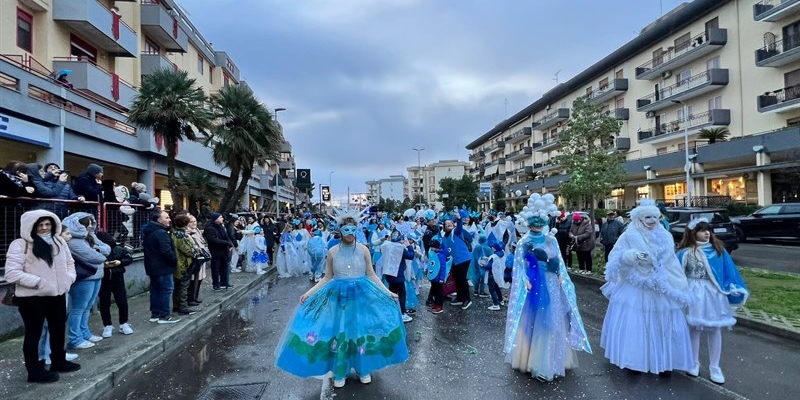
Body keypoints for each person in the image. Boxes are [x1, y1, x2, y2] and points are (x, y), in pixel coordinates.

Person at [274, 208, 408, 389]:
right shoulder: (333, 252)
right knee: (340, 332)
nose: (350, 234)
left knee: (360, 331)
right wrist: (309, 293)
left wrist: (387, 292)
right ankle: (341, 370)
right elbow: (327, 276)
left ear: (357, 230)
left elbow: (371, 274)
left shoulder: (363, 250)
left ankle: (362, 368)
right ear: (340, 231)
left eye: (353, 230)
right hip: (339, 298)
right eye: (346, 230)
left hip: (361, 298)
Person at [600, 199, 693, 375]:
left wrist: (667, 274)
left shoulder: (665, 235)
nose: (652, 221)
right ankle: (635, 360)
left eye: (655, 217)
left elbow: (671, 260)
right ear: (639, 218)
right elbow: (615, 257)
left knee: (663, 323)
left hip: (661, 286)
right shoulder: (629, 235)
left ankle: (665, 361)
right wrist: (631, 256)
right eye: (647, 217)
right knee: (637, 323)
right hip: (637, 286)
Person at [504, 193, 591, 381]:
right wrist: (524, 279)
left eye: (539, 223)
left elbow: (558, 260)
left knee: (552, 320)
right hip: (534, 285)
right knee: (535, 321)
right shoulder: (523, 243)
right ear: (528, 223)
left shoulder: (551, 240)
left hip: (551, 282)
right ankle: (533, 360)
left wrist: (560, 275)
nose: (536, 226)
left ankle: (552, 360)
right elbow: (519, 266)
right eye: (533, 223)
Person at [3, 210, 81, 383]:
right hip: (32, 298)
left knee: (58, 329)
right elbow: (11, 273)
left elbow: (70, 262)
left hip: (58, 294)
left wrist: (69, 279)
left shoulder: (59, 241)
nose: (44, 228)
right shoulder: (19, 244)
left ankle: (58, 361)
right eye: (40, 225)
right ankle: (34, 371)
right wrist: (38, 282)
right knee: (34, 334)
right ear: (31, 226)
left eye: (48, 224)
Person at [676, 218, 749, 385]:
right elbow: (676, 275)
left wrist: (733, 287)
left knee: (714, 329)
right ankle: (693, 362)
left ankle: (715, 367)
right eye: (702, 230)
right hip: (692, 294)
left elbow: (729, 271)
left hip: (713, 294)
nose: (707, 233)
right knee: (693, 328)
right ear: (693, 234)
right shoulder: (684, 253)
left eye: (708, 230)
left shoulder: (718, 251)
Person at [62, 212, 110, 350]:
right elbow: (97, 257)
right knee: (78, 308)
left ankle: (85, 333)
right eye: (87, 222)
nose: (90, 225)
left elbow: (107, 248)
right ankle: (75, 338)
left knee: (87, 307)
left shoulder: (90, 236)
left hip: (97, 275)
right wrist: (100, 251)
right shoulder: (73, 240)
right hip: (84, 278)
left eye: (91, 222)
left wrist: (98, 249)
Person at [142, 209, 181, 324]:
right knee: (166, 290)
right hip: (163, 267)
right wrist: (174, 260)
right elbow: (166, 251)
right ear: (159, 219)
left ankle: (155, 313)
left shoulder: (149, 231)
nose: (169, 219)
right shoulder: (161, 233)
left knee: (156, 290)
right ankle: (165, 315)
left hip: (152, 267)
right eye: (167, 217)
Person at [96, 229, 134, 338]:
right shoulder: (96, 250)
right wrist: (103, 265)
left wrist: (120, 262)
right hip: (103, 279)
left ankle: (124, 323)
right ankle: (107, 325)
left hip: (117, 278)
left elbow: (129, 258)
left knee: (122, 301)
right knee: (104, 303)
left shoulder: (118, 249)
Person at [441, 209, 473, 310]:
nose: (449, 224)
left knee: (462, 279)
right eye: (447, 224)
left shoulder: (457, 232)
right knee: (457, 279)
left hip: (463, 259)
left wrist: (459, 218)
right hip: (454, 261)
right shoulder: (444, 237)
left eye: (450, 223)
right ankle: (460, 298)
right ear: (444, 227)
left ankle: (467, 299)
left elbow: (459, 226)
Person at [171, 214, 198, 316]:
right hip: (182, 263)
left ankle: (177, 305)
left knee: (177, 286)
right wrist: (194, 250)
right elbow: (187, 250)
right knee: (183, 286)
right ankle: (183, 307)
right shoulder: (180, 235)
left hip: (177, 263)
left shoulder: (173, 233)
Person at [203, 213, 233, 291]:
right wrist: (226, 243)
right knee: (216, 268)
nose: (222, 218)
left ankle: (224, 282)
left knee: (224, 267)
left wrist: (229, 244)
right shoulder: (210, 228)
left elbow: (226, 237)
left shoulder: (221, 227)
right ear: (215, 219)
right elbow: (213, 240)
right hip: (215, 251)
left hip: (224, 251)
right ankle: (216, 284)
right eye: (220, 217)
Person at [186, 215, 208, 306]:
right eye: (191, 222)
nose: (194, 223)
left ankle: (195, 297)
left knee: (199, 279)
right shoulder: (187, 232)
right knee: (193, 280)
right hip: (194, 259)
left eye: (195, 221)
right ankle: (191, 298)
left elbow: (202, 241)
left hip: (201, 258)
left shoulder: (197, 230)